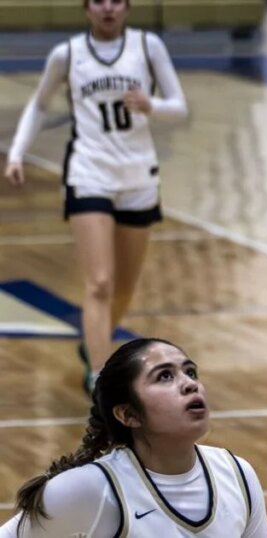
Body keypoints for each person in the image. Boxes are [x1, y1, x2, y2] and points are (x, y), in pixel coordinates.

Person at [4, 0, 189, 394]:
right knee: (100, 281)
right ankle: (101, 379)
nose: (109, 8)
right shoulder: (67, 54)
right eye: (100, 1)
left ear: (127, 7)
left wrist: (150, 105)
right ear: (87, 8)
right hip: (89, 173)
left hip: (138, 175)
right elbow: (38, 106)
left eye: (117, 1)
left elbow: (179, 108)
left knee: (124, 286)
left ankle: (93, 345)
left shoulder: (148, 47)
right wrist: (17, 153)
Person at [0, 338, 267, 537]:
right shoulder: (90, 488)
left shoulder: (238, 474)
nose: (190, 383)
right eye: (165, 376)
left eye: (190, 372)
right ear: (128, 415)